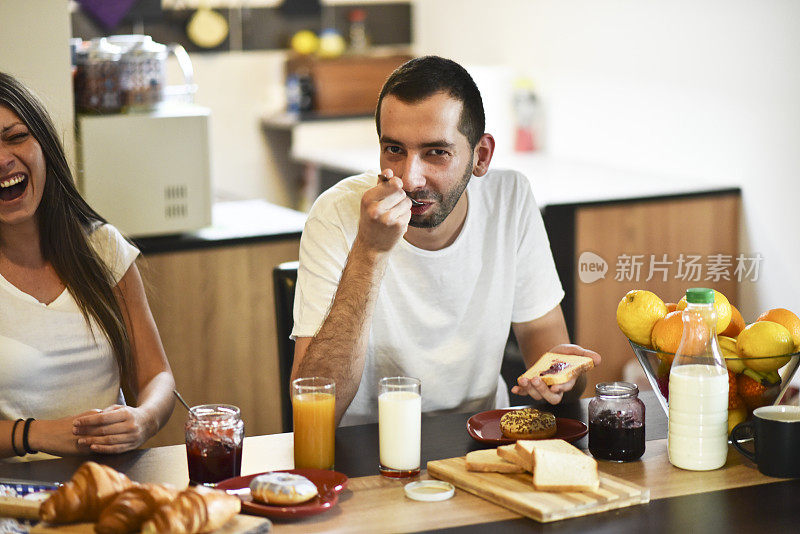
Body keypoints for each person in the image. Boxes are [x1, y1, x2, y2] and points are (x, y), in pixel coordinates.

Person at [290, 56, 601, 426]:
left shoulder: (510, 198)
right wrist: (369, 252)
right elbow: (314, 413)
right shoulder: (336, 213)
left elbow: (548, 352)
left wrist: (565, 377)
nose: (411, 177)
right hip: (366, 451)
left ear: (480, 156)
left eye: (436, 152)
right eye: (394, 150)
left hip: (481, 437)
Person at [0, 72, 175, 459]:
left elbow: (156, 377)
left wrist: (142, 419)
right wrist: (36, 435)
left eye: (15, 137)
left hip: (107, 488)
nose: (2, 159)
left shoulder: (103, 247)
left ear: (44, 144)